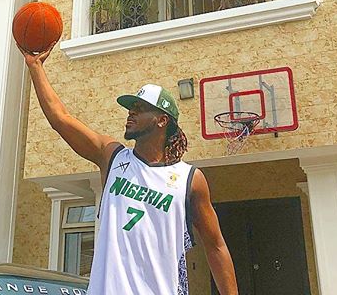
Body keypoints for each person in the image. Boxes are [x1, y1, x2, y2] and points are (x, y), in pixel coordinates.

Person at [22, 44, 239, 295]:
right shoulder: (112, 157)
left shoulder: (189, 180)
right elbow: (61, 119)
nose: (131, 112)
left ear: (162, 120)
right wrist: (35, 67)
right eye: (131, 107)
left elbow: (216, 247)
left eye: (140, 108)